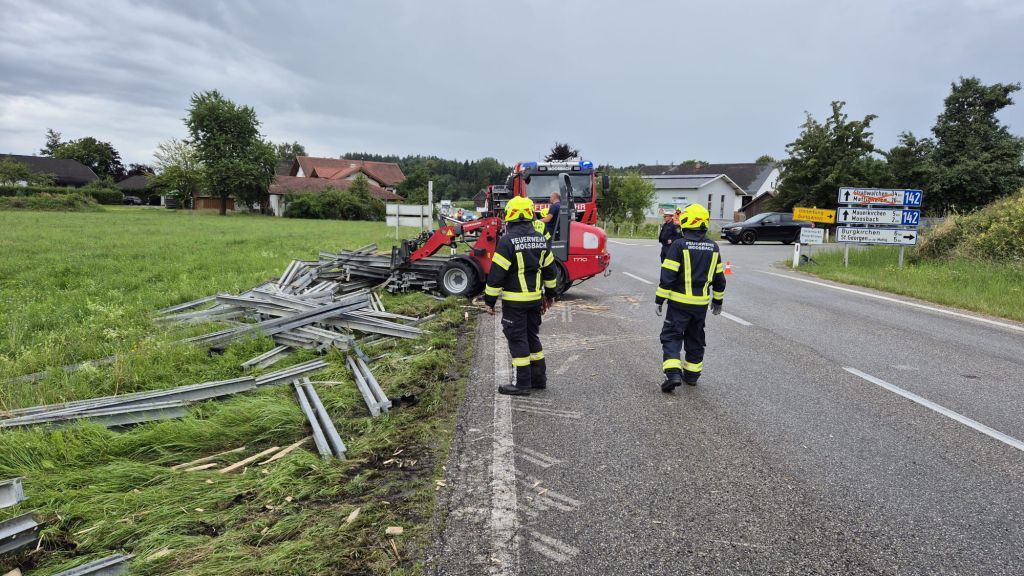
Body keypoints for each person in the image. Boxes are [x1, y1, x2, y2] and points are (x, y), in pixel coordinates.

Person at [484, 196, 558, 396]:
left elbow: (496, 275)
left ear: (510, 215)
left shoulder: (507, 241)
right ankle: (539, 380)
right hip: (535, 301)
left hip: (515, 303)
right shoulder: (540, 239)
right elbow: (550, 271)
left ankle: (521, 384)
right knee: (532, 337)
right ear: (530, 214)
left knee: (517, 339)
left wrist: (489, 301)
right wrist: (550, 295)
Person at [655, 203, 726, 393]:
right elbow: (719, 279)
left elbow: (667, 275)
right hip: (700, 306)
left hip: (678, 304)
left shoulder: (679, 244)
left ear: (686, 221)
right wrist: (717, 301)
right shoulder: (714, 247)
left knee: (671, 336)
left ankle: (673, 374)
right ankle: (692, 376)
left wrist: (659, 299)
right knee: (695, 338)